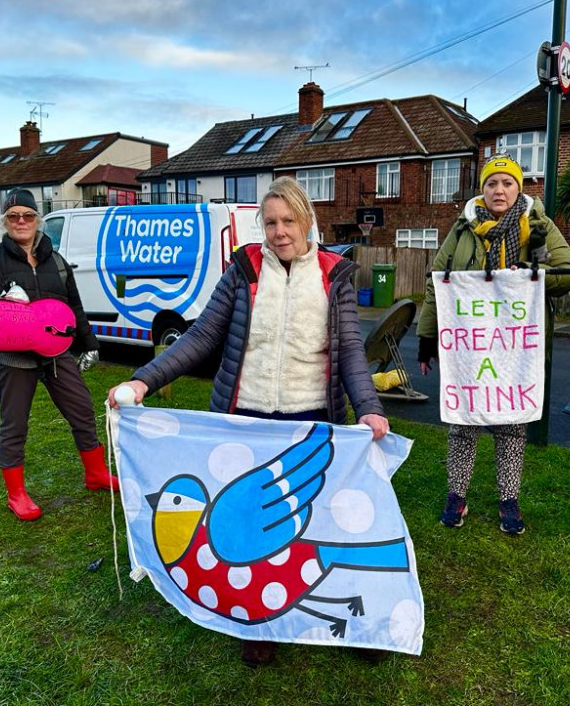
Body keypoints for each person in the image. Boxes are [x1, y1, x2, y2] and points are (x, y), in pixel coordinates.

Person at [109, 176, 389, 667]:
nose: (280, 232)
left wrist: (369, 407)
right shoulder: (242, 269)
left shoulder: (335, 274)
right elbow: (200, 337)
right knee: (245, 529)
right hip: (243, 421)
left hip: (311, 420)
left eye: (289, 221)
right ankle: (260, 618)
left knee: (323, 524)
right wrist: (141, 383)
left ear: (307, 222)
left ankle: (356, 621)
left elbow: (350, 356)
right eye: (271, 222)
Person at [416, 155, 570, 534]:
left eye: (507, 183)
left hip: (514, 345)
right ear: (482, 190)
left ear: (518, 188)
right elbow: (435, 283)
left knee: (511, 426)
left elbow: (567, 273)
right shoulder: (462, 229)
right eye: (491, 183)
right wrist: (427, 336)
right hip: (471, 346)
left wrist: (534, 275)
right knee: (464, 424)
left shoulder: (539, 225)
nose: (499, 190)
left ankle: (509, 498)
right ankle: (457, 495)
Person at [0, 188, 116, 522]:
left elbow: (74, 306)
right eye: (13, 216)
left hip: (56, 352)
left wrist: (89, 344)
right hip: (13, 357)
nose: (21, 222)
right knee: (14, 424)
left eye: (27, 215)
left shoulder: (55, 262)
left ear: (36, 219)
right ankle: (16, 494)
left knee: (83, 410)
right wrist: (2, 304)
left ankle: (96, 474)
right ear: (5, 222)